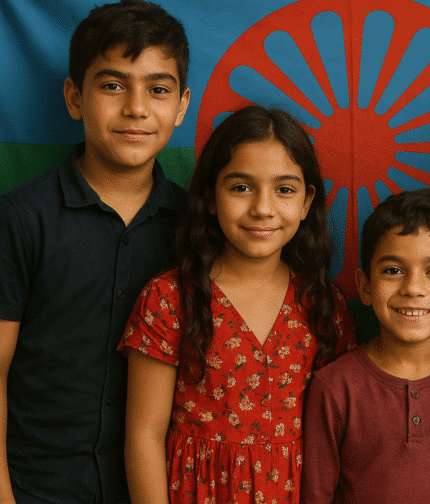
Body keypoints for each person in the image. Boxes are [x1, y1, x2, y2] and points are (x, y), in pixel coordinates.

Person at [0, 0, 191, 504]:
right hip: (38, 488)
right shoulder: (22, 217)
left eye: (157, 89)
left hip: (158, 487)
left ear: (181, 106)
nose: (135, 107)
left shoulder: (195, 226)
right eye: (112, 85)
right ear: (74, 97)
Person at [119, 105, 357, 504]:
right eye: (241, 187)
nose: (263, 208)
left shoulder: (323, 304)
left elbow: (337, 437)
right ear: (211, 197)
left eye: (284, 189)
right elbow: (144, 434)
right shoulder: (169, 298)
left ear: (306, 201)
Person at [301, 188, 430, 504]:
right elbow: (316, 494)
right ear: (365, 286)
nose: (413, 288)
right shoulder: (335, 387)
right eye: (393, 270)